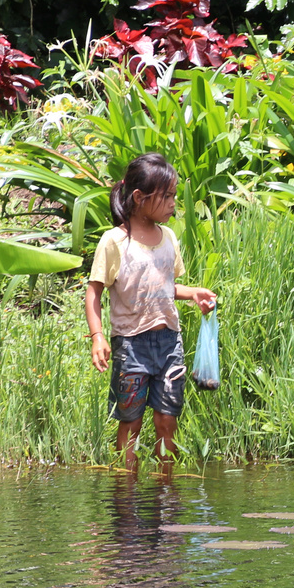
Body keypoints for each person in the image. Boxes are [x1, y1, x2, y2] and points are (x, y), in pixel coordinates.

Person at [83, 153, 217, 471]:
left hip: (169, 343)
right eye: (167, 196)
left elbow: (164, 286)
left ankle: (164, 491)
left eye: (173, 196)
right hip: (131, 344)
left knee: (167, 419)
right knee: (131, 421)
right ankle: (126, 493)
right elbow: (94, 291)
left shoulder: (168, 238)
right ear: (140, 198)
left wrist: (193, 294)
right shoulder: (115, 242)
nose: (173, 204)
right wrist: (97, 336)